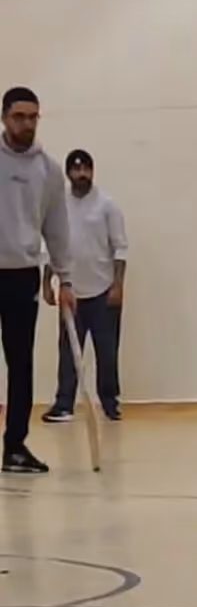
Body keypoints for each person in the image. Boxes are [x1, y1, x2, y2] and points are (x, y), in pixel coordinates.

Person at [0, 87, 74, 474]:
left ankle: (14, 447)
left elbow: (57, 229)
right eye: (18, 116)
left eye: (33, 117)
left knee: (20, 365)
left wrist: (66, 279)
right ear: (3, 117)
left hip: (21, 276)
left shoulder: (48, 170)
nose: (26, 124)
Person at [42, 149, 128, 423]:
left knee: (107, 350)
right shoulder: (58, 205)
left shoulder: (107, 205)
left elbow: (120, 248)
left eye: (86, 169)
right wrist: (47, 283)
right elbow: (51, 246)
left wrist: (117, 286)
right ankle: (63, 404)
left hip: (103, 292)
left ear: (92, 171)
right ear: (68, 173)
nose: (82, 174)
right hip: (71, 292)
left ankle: (110, 402)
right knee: (68, 352)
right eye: (76, 169)